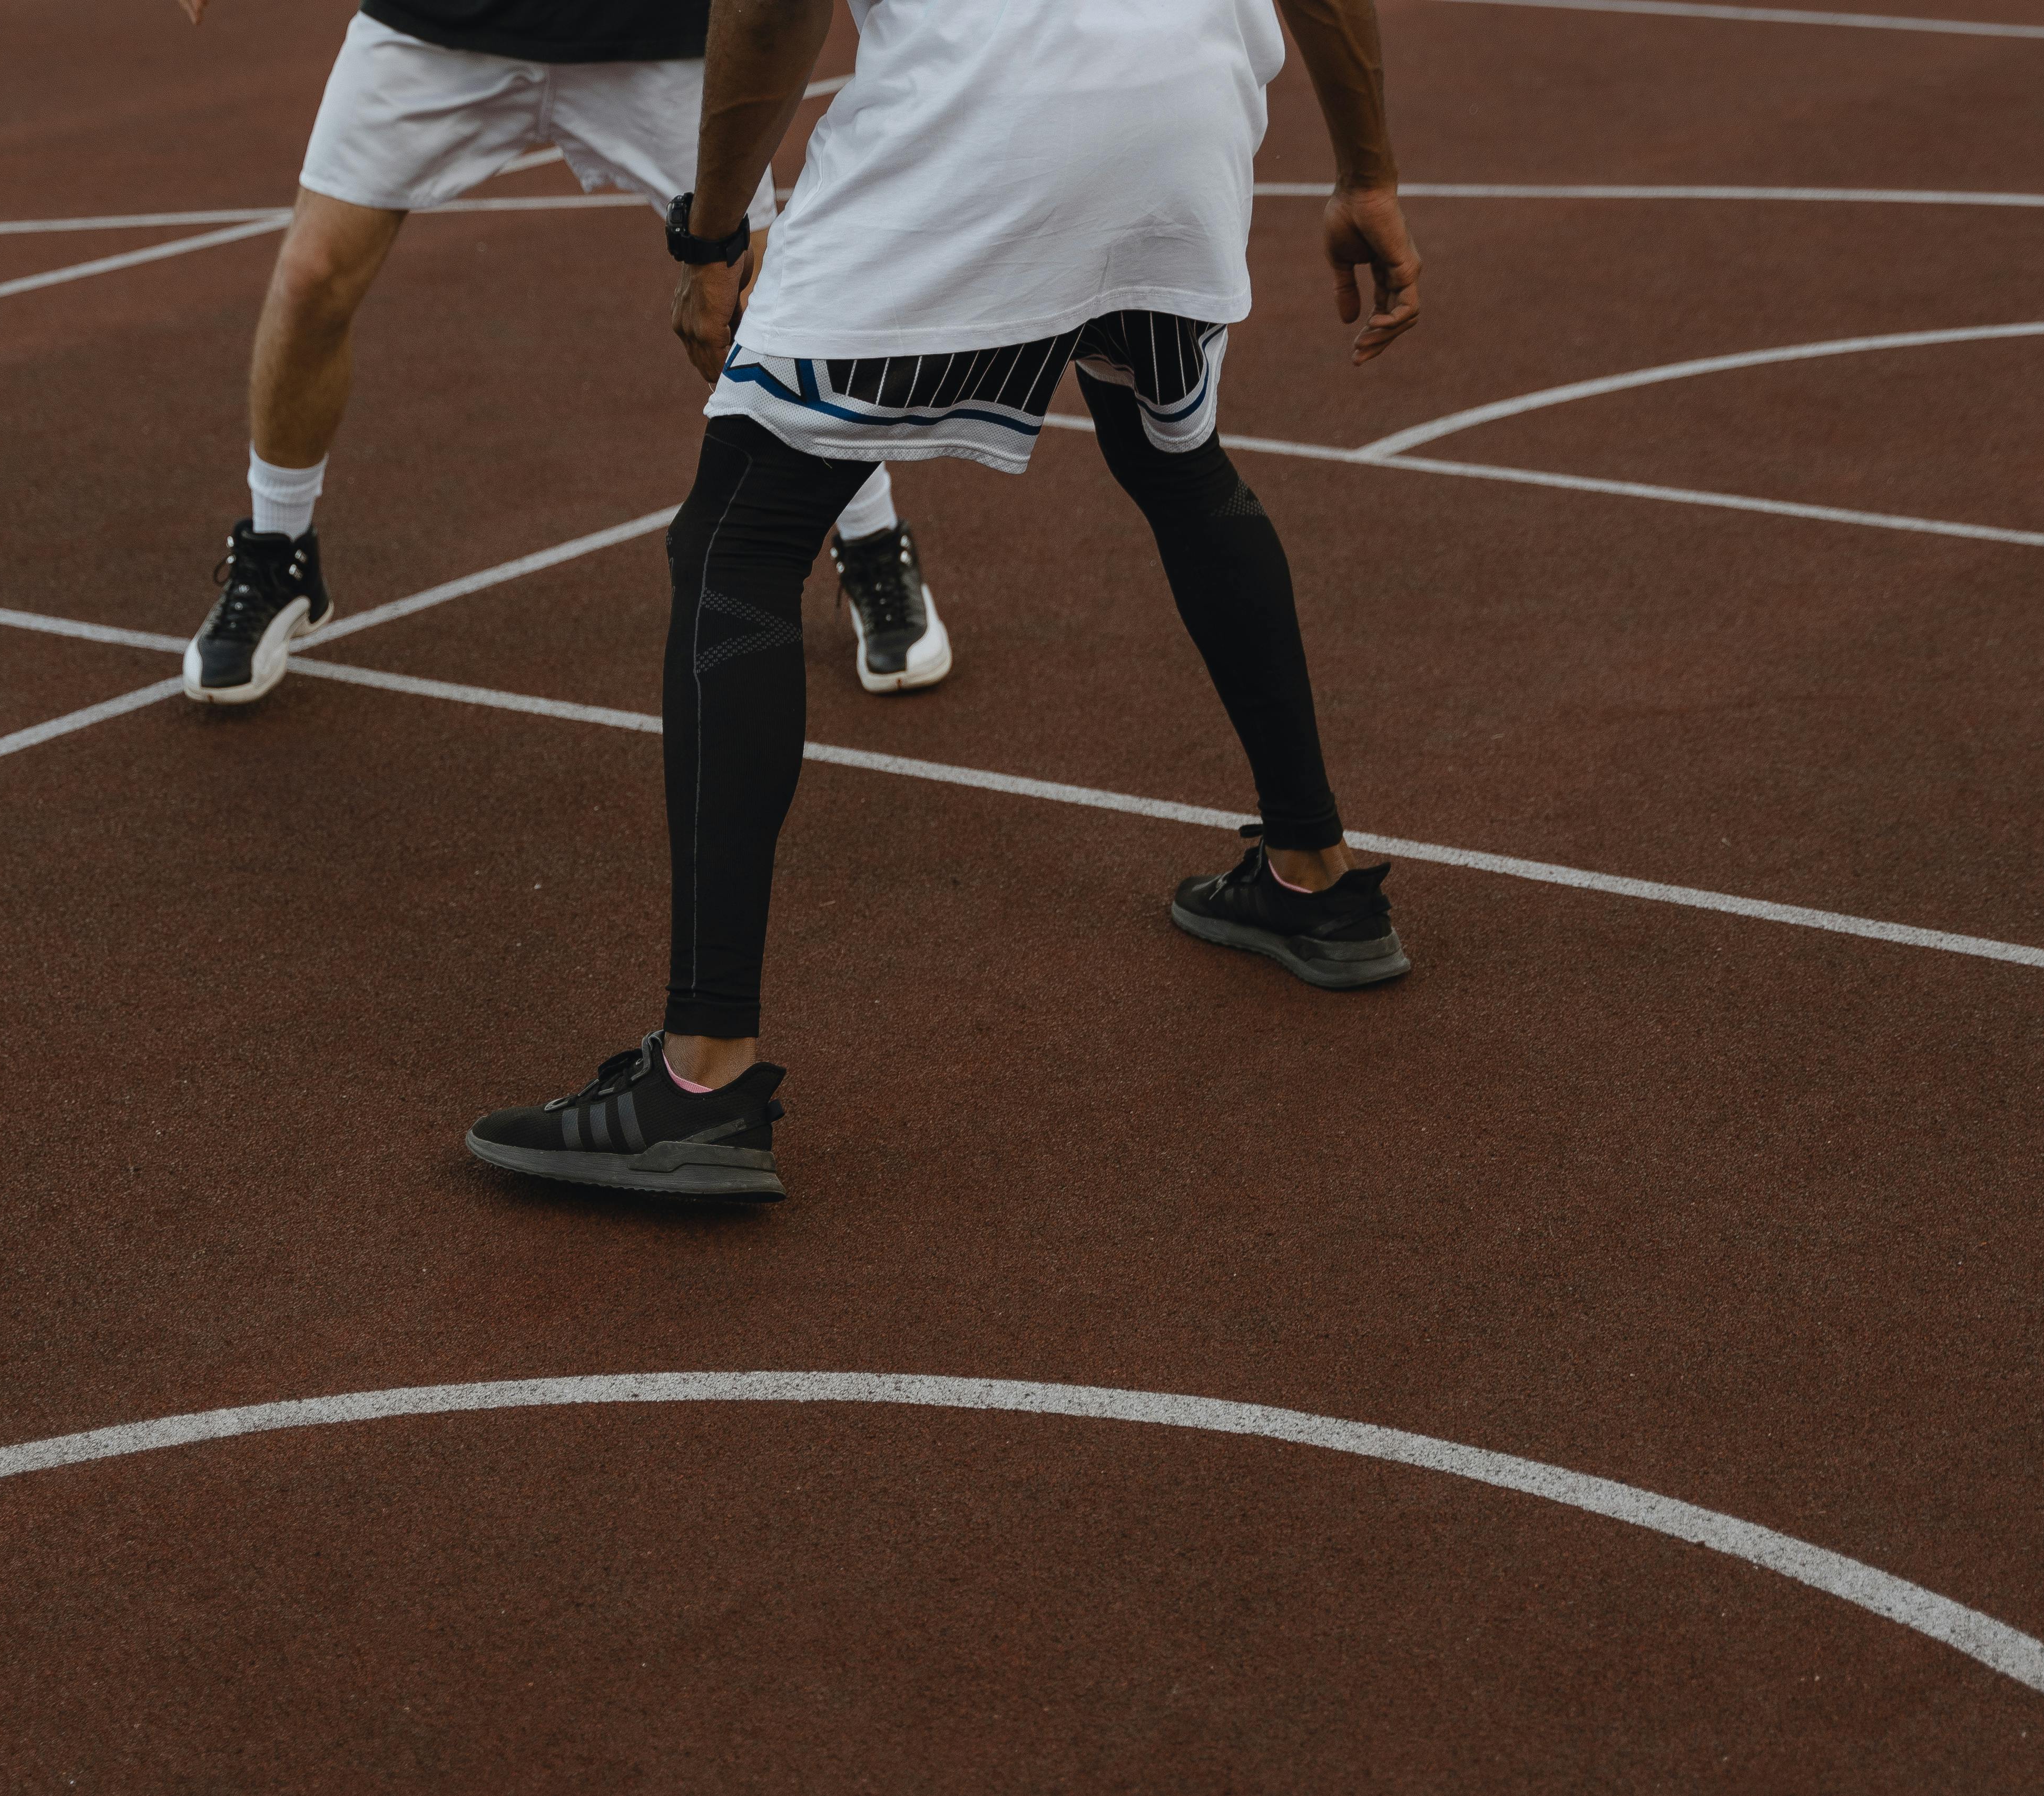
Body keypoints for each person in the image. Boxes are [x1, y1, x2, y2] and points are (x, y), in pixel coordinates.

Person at [465, 0, 1424, 1202]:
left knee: (739, 542)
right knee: (1176, 462)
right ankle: (1313, 879)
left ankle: (698, 1083)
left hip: (988, 123)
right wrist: (1367, 172)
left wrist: (710, 233)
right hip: (1184, 108)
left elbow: (767, 8)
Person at [171, 0, 954, 704]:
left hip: (656, 34)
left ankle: (872, 541)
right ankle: (278, 553)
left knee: (758, 308)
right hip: (440, 26)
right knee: (310, 278)